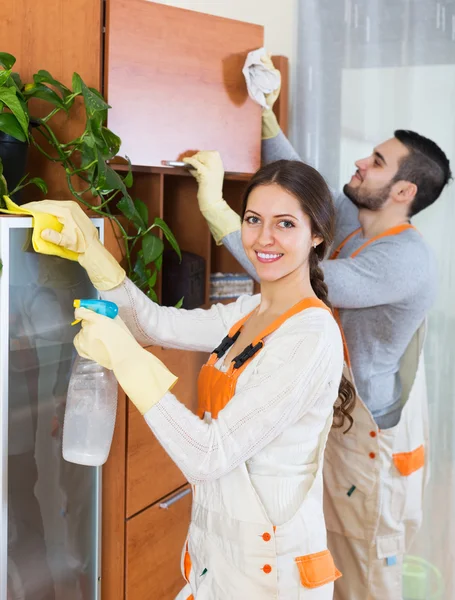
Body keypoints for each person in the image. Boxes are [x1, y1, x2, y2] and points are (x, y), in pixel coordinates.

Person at [21, 158, 355, 599]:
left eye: (285, 223)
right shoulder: (250, 312)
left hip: (272, 576)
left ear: (317, 235)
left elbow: (208, 456)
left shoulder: (310, 337)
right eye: (253, 220)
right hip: (217, 557)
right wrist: (93, 254)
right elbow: (151, 325)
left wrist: (127, 362)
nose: (264, 238)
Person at [184, 57, 452, 599]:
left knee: (363, 568)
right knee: (324, 556)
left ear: (403, 192)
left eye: (376, 161)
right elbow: (303, 187)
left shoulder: (404, 261)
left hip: (368, 437)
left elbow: (296, 270)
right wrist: (266, 114)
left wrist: (215, 209)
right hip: (337, 413)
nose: (359, 162)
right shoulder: (358, 218)